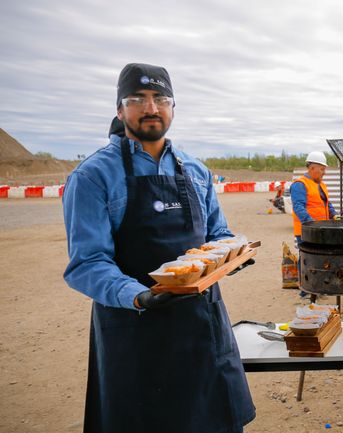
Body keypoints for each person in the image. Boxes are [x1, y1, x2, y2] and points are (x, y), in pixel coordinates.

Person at [63, 63, 255, 433]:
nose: (151, 108)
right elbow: (87, 263)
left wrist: (233, 254)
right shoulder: (92, 177)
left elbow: (218, 232)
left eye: (160, 98)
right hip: (134, 332)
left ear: (172, 108)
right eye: (138, 99)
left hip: (203, 327)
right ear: (120, 110)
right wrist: (140, 296)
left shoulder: (195, 170)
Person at [290, 151, 337, 296]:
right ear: (312, 168)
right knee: (307, 259)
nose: (324, 173)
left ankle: (318, 287)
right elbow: (298, 207)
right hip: (306, 231)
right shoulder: (300, 185)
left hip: (320, 229)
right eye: (322, 169)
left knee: (320, 259)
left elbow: (326, 204)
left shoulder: (321, 185)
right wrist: (311, 224)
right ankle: (305, 291)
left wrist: (334, 215)